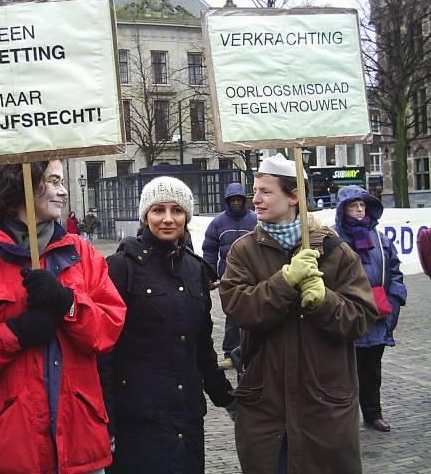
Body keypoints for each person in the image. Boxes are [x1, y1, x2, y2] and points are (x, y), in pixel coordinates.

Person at [0, 161, 126, 474]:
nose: (63, 191)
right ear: (20, 183)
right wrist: (15, 333)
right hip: (11, 446)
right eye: (52, 181)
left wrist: (68, 303)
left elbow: (108, 328)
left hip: (79, 446)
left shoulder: (81, 254)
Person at [218, 154, 379, 474]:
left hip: (324, 407)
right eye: (255, 190)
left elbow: (361, 319)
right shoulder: (244, 250)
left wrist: (324, 302)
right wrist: (285, 282)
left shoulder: (336, 251)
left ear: (295, 197)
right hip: (267, 409)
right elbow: (239, 309)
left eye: (266, 191)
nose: (256, 199)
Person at [103, 176, 234, 473]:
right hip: (140, 416)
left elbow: (201, 343)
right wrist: (106, 416)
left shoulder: (196, 269)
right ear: (145, 216)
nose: (167, 219)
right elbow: (105, 349)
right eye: (157, 210)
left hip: (186, 413)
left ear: (186, 215)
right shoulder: (122, 266)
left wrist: (222, 393)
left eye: (176, 210)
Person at [334, 185, 407, 432]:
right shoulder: (334, 239)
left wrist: (395, 301)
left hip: (378, 314)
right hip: (349, 315)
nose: (359, 209)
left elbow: (396, 271)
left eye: (362, 205)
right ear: (343, 209)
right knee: (344, 372)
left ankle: (373, 413)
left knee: (372, 370)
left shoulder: (379, 238)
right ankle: (344, 418)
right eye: (354, 205)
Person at [202, 182, 257, 369]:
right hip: (228, 277)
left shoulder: (255, 220)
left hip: (253, 276)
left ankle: (253, 350)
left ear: (244, 201)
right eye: (232, 200)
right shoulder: (218, 222)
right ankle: (230, 353)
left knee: (254, 313)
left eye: (238, 200)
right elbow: (209, 249)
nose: (235, 203)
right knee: (232, 315)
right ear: (227, 201)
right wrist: (209, 274)